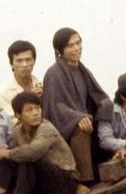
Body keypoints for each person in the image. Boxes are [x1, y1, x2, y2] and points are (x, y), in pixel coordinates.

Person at [0, 92, 88, 194]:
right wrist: (1, 153)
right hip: (42, 189)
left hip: (64, 185)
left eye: (37, 108)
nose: (36, 113)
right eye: (29, 110)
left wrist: (6, 153)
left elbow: (31, 153)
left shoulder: (46, 128)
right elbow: (14, 154)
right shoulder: (17, 132)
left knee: (29, 159)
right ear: (18, 115)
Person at [41, 27, 108, 184]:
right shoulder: (54, 73)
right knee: (82, 127)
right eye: (70, 46)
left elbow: (97, 97)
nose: (76, 48)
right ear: (59, 50)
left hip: (86, 119)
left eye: (78, 43)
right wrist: (78, 117)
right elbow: (55, 106)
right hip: (66, 128)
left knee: (111, 112)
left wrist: (106, 107)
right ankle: (85, 180)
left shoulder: (82, 70)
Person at [0, 40, 43, 122]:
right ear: (11, 64)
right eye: (19, 61)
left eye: (28, 60)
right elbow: (12, 121)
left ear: (34, 62)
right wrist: (29, 98)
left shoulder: (42, 85)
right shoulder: (4, 92)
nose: (24, 65)